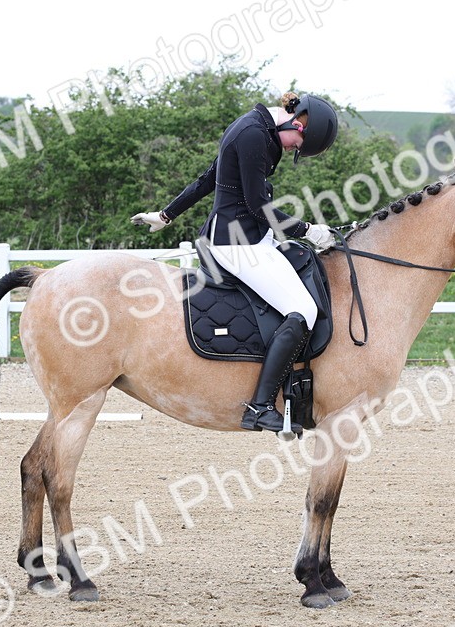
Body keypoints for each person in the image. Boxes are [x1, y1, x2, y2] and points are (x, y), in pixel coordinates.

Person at [131, 92, 339, 435]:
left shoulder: (257, 128)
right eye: (296, 145)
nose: (291, 151)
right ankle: (259, 407)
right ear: (296, 123)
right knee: (303, 309)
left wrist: (166, 214)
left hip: (252, 236)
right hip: (235, 243)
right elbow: (258, 205)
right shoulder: (254, 134)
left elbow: (209, 178)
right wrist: (307, 230)